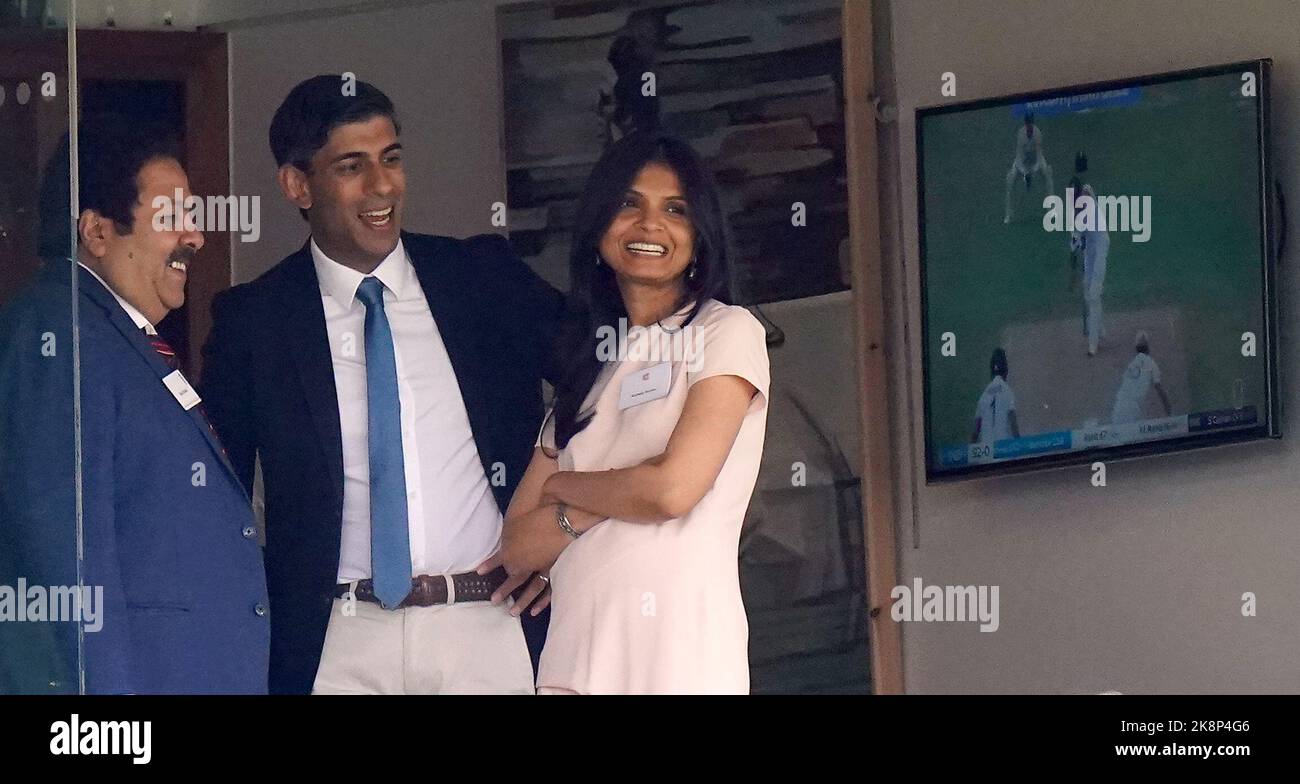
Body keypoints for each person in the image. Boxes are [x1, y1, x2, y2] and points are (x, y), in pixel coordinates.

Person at [200, 76, 563, 694]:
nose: (382, 186)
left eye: (391, 159)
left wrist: (561, 534)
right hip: (337, 642)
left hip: (487, 622)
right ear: (297, 185)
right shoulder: (254, 322)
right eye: (352, 166)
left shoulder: (480, 279)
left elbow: (601, 383)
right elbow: (212, 498)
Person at [0, 115, 269, 694]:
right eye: (173, 217)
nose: (195, 236)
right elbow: (64, 564)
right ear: (97, 232)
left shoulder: (114, 335)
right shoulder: (58, 336)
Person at [497, 131, 770, 694]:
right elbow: (519, 546)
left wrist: (566, 489)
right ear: (598, 231)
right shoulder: (586, 366)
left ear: (700, 237)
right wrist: (611, 497)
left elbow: (671, 492)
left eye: (675, 209)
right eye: (629, 204)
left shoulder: (726, 332)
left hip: (679, 659)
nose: (650, 225)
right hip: (574, 663)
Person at [1072, 181, 1110, 356]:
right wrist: (1075, 243)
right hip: (1090, 251)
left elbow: (1079, 231)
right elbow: (1076, 238)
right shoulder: (1079, 201)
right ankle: (1099, 328)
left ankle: (1093, 344)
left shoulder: (1087, 204)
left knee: (1094, 294)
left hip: (1100, 247)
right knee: (1088, 291)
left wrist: (1076, 240)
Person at [1111, 331, 1171, 424]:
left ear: (1136, 348)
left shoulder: (1131, 364)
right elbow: (1160, 391)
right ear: (1148, 347)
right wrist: (1169, 412)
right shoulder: (1151, 364)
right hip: (1133, 409)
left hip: (1118, 407)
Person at [1004, 113, 1054, 224]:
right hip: (1020, 164)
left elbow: (1039, 155)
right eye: (1028, 123)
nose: (1029, 126)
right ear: (1025, 124)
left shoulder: (1037, 133)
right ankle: (1008, 214)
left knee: (1048, 174)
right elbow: (1019, 156)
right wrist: (1025, 173)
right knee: (1010, 180)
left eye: (1031, 123)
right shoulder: (1021, 135)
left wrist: (1033, 171)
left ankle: (1050, 209)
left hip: (1036, 162)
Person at [971, 347, 1019, 445]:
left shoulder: (983, 395)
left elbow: (975, 432)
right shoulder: (1007, 391)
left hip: (986, 455)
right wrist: (1019, 445)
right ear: (1006, 370)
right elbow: (1013, 424)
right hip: (1003, 452)